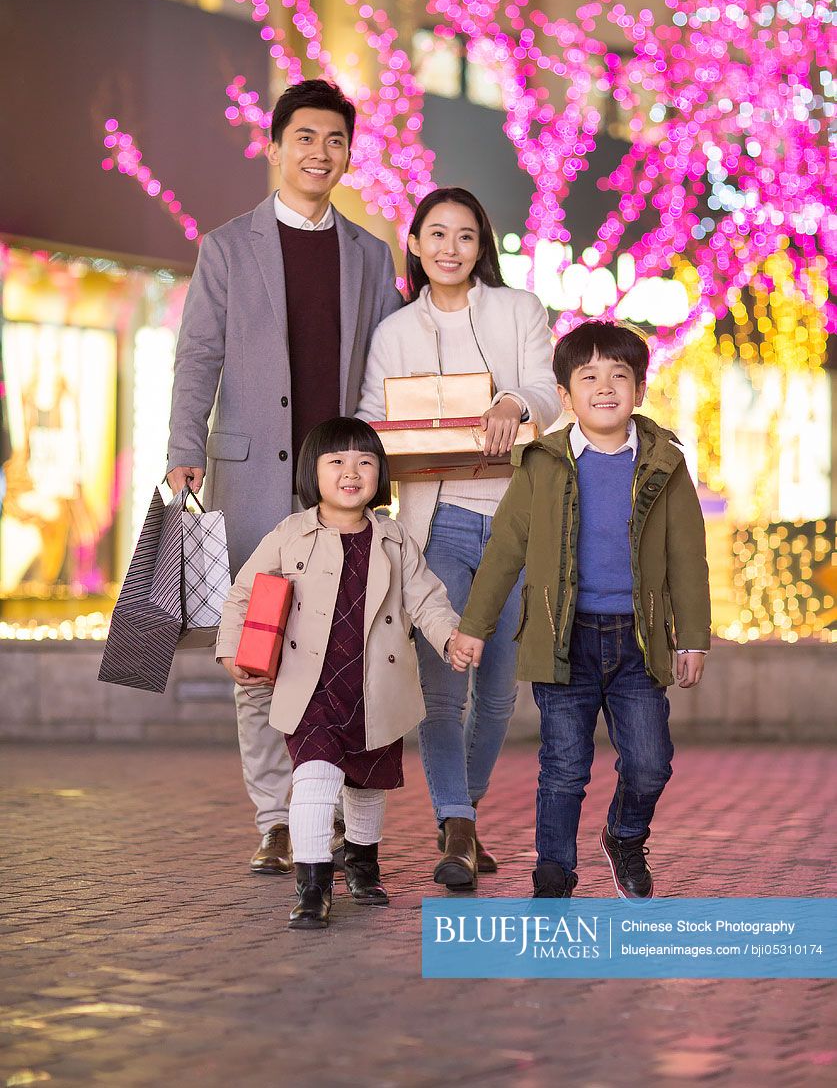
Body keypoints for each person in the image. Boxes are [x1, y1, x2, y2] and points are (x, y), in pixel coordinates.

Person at [166, 79, 403, 876]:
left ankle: (326, 808)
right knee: (258, 647)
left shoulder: (371, 255)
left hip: (340, 483)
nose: (319, 153)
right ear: (274, 147)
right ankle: (275, 816)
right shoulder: (227, 247)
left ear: (347, 153)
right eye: (304, 138)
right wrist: (180, 444)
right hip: (251, 482)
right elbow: (198, 353)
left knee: (344, 649)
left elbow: (387, 362)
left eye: (334, 140)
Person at [450, 320, 711, 900]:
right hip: (562, 636)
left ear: (639, 390)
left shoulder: (665, 465)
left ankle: (624, 833)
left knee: (650, 762)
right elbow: (504, 553)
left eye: (619, 375)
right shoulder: (542, 464)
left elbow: (688, 556)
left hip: (639, 641)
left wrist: (692, 637)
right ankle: (553, 874)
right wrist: (473, 628)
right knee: (563, 768)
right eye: (588, 376)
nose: (604, 386)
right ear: (565, 396)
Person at [357, 187, 561, 890]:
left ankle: (461, 819)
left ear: (482, 246)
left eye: (465, 236)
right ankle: (457, 823)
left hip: (513, 525)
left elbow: (546, 387)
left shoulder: (518, 310)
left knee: (500, 693)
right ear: (413, 243)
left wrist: (514, 401)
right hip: (433, 524)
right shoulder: (393, 332)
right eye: (435, 234)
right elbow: (370, 419)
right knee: (444, 692)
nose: (449, 247)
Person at [216, 418, 460, 929]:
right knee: (314, 780)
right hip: (312, 688)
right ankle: (312, 885)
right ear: (314, 472)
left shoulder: (394, 540)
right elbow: (244, 592)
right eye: (337, 462)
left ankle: (363, 864)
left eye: (365, 462)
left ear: (381, 475)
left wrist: (451, 637)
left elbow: (427, 599)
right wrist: (232, 651)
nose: (352, 473)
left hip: (375, 687)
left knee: (367, 786)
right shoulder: (291, 534)